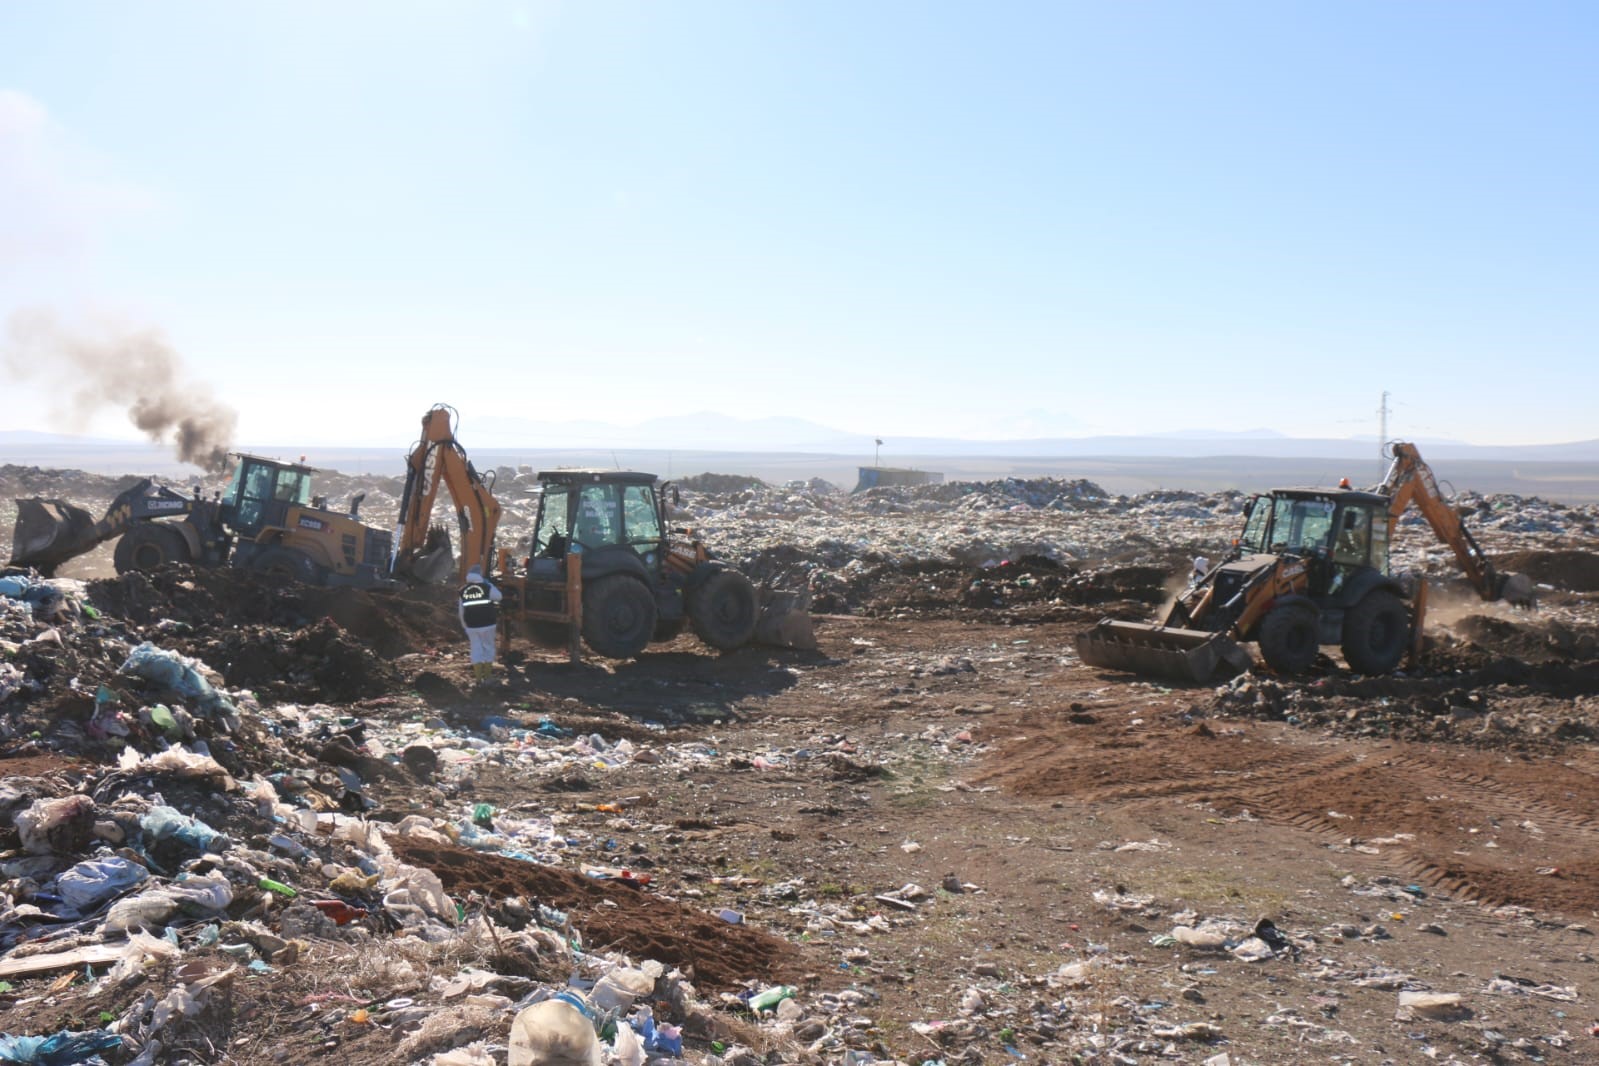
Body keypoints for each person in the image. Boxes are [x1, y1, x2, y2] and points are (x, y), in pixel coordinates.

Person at [458, 564, 503, 683]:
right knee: (488, 648)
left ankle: (478, 678)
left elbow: (461, 610)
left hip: (471, 625)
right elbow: (499, 597)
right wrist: (490, 584)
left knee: (476, 649)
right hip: (487, 623)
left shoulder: (463, 590)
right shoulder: (486, 586)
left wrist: (464, 626)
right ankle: (487, 676)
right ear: (480, 575)